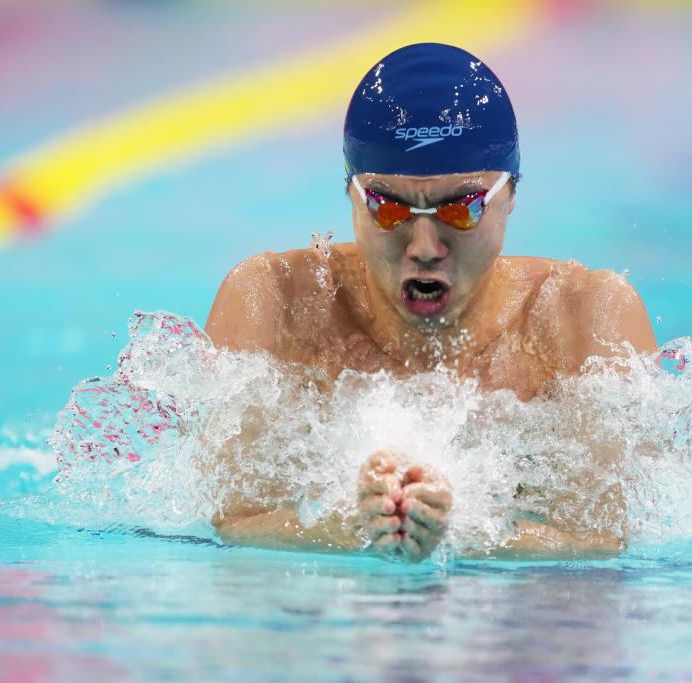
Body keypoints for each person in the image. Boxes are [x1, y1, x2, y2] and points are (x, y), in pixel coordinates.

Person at [205, 43, 656, 562]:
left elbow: (603, 543)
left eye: (461, 208)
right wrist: (349, 527)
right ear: (351, 196)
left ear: (510, 196)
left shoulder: (582, 318)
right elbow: (232, 524)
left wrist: (461, 530)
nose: (424, 247)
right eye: (388, 209)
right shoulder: (274, 304)